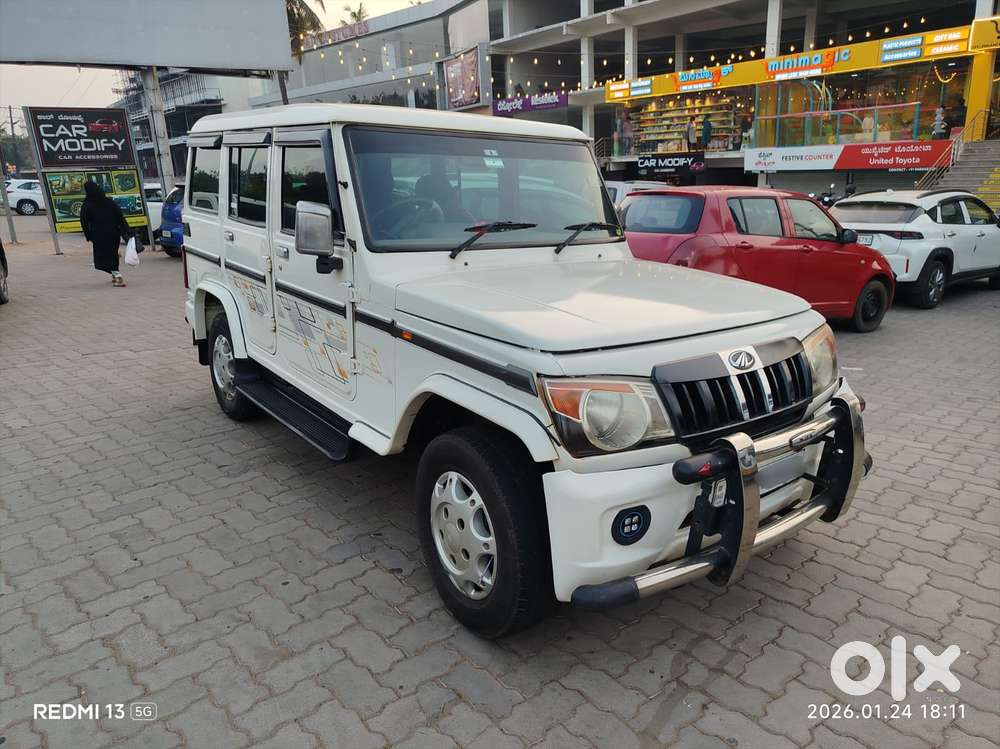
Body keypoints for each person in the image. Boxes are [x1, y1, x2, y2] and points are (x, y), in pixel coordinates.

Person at [80, 181, 130, 287]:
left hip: (98, 235)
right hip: (113, 233)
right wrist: (125, 230)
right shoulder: (109, 202)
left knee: (103, 257)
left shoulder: (87, 204)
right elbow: (120, 216)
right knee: (112, 254)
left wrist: (88, 235)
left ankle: (118, 276)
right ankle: (114, 273)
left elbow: (84, 221)